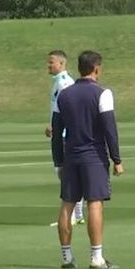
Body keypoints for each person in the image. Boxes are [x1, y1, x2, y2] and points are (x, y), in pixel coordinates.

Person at [52, 50, 123, 269]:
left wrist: (58, 161)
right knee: (95, 203)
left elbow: (56, 131)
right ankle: (96, 257)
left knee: (67, 204)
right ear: (96, 69)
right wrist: (117, 159)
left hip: (71, 155)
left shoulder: (63, 94)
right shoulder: (103, 93)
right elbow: (109, 129)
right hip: (93, 155)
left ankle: (66, 257)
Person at [47, 50, 85, 226]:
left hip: (64, 134)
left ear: (61, 64)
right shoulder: (59, 83)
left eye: (51, 62)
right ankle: (77, 214)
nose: (49, 65)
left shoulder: (64, 84)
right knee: (64, 173)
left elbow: (68, 110)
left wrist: (59, 127)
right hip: (59, 131)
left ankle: (72, 214)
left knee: (64, 173)